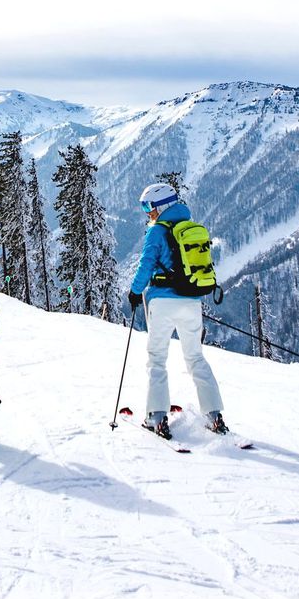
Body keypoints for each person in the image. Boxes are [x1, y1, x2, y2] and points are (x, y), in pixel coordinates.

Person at [128, 181, 226, 438]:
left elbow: (146, 265)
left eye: (149, 207)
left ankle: (157, 418)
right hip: (192, 301)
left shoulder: (157, 231)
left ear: (161, 206)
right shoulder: (190, 227)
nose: (147, 213)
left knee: (157, 359)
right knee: (195, 357)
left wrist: (135, 292)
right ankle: (214, 415)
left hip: (162, 301)